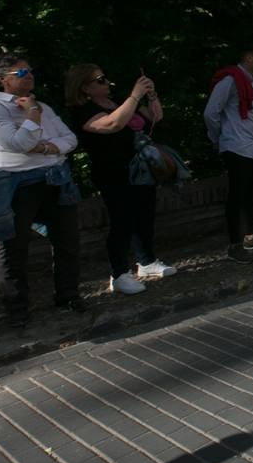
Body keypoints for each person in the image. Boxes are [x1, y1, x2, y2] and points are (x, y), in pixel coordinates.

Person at [0, 53, 83, 327]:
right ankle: (17, 309)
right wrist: (33, 116)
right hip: (15, 184)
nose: (29, 76)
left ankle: (68, 295)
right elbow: (17, 143)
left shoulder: (42, 104)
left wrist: (43, 146)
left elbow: (70, 139)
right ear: (2, 79)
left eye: (30, 70)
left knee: (67, 240)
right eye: (21, 73)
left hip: (54, 178)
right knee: (12, 247)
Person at [66, 63, 175, 296]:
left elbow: (155, 116)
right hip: (113, 172)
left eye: (105, 78)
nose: (106, 82)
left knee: (145, 214)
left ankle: (146, 262)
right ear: (84, 87)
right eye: (100, 79)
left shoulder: (118, 103)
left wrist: (150, 94)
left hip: (140, 170)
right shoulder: (84, 111)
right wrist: (135, 96)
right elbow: (113, 124)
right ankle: (119, 273)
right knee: (121, 220)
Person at [205, 42, 253, 263]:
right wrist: (219, 137)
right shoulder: (230, 80)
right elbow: (211, 113)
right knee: (236, 195)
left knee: (250, 192)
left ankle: (251, 235)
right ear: (249, 58)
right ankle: (235, 244)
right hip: (236, 146)